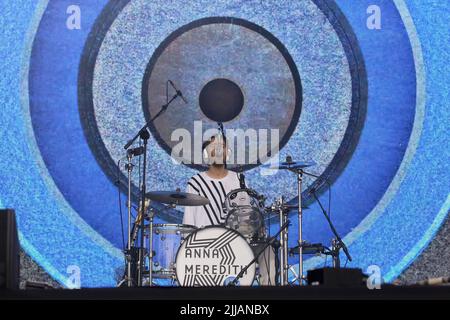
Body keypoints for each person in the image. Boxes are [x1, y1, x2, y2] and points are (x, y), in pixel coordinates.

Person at [183, 134, 275, 285]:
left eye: (222, 147)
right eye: (213, 146)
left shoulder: (240, 179)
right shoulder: (196, 183)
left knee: (269, 248)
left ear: (228, 152)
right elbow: (188, 225)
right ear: (205, 153)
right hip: (207, 246)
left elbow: (247, 216)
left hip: (238, 242)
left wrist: (254, 226)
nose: (218, 150)